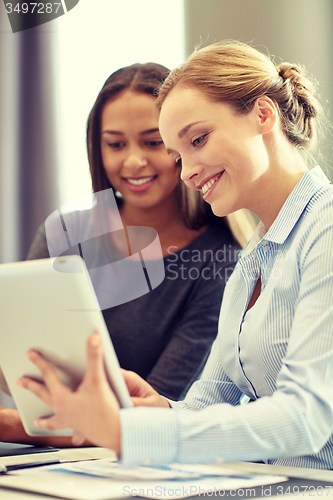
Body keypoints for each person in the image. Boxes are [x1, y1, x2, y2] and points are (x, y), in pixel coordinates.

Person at [19, 40, 333, 469]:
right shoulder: (255, 255)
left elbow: (306, 420)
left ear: (264, 114)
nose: (187, 173)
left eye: (198, 140)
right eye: (179, 156)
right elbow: (211, 399)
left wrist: (126, 432)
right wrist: (160, 409)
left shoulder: (326, 228)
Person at [0, 62, 248, 444]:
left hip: (138, 456)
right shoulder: (67, 232)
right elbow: (16, 365)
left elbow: (158, 411)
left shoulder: (220, 259)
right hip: (46, 454)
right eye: (116, 144)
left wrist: (13, 426)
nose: (133, 161)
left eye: (152, 143)